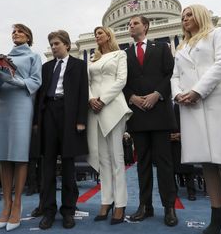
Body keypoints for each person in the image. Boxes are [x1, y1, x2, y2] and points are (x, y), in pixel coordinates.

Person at [171, 4, 221, 234]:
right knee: (207, 163)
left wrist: (197, 90)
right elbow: (175, 75)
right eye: (182, 16)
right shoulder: (181, 46)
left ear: (201, 15)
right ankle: (217, 213)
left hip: (215, 101)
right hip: (190, 106)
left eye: (189, 14)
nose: (185, 19)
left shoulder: (217, 33)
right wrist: (177, 94)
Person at [123, 15, 178, 227]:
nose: (131, 26)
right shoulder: (125, 53)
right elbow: (123, 81)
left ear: (145, 26)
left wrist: (158, 94)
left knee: (165, 163)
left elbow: (171, 74)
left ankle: (169, 207)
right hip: (138, 114)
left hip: (159, 111)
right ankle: (145, 206)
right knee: (142, 163)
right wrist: (132, 97)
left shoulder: (162, 48)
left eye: (135, 23)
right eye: (129, 24)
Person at [0, 23, 42, 231]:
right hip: (2, 105)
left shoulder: (34, 56)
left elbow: (35, 81)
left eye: (20, 31)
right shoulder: (2, 57)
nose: (16, 34)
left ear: (28, 36)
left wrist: (14, 79)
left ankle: (17, 204)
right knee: (2, 154)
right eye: (13, 31)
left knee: (18, 154)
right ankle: (6, 205)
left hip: (22, 104)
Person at [35, 30, 88, 230]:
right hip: (48, 112)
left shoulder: (79, 66)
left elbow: (84, 93)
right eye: (51, 44)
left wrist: (81, 120)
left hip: (69, 114)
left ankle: (68, 210)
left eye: (56, 43)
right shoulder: (46, 67)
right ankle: (48, 210)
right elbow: (39, 95)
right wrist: (36, 121)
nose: (53, 47)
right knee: (47, 164)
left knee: (68, 164)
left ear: (66, 44)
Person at [86, 26, 132, 225]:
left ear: (108, 36)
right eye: (95, 34)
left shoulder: (120, 54)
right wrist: (91, 99)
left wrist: (102, 100)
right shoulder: (92, 60)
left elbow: (121, 80)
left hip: (112, 106)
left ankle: (120, 204)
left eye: (100, 33)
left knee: (116, 157)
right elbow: (86, 83)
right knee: (102, 158)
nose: (97, 36)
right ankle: (106, 201)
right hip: (94, 108)